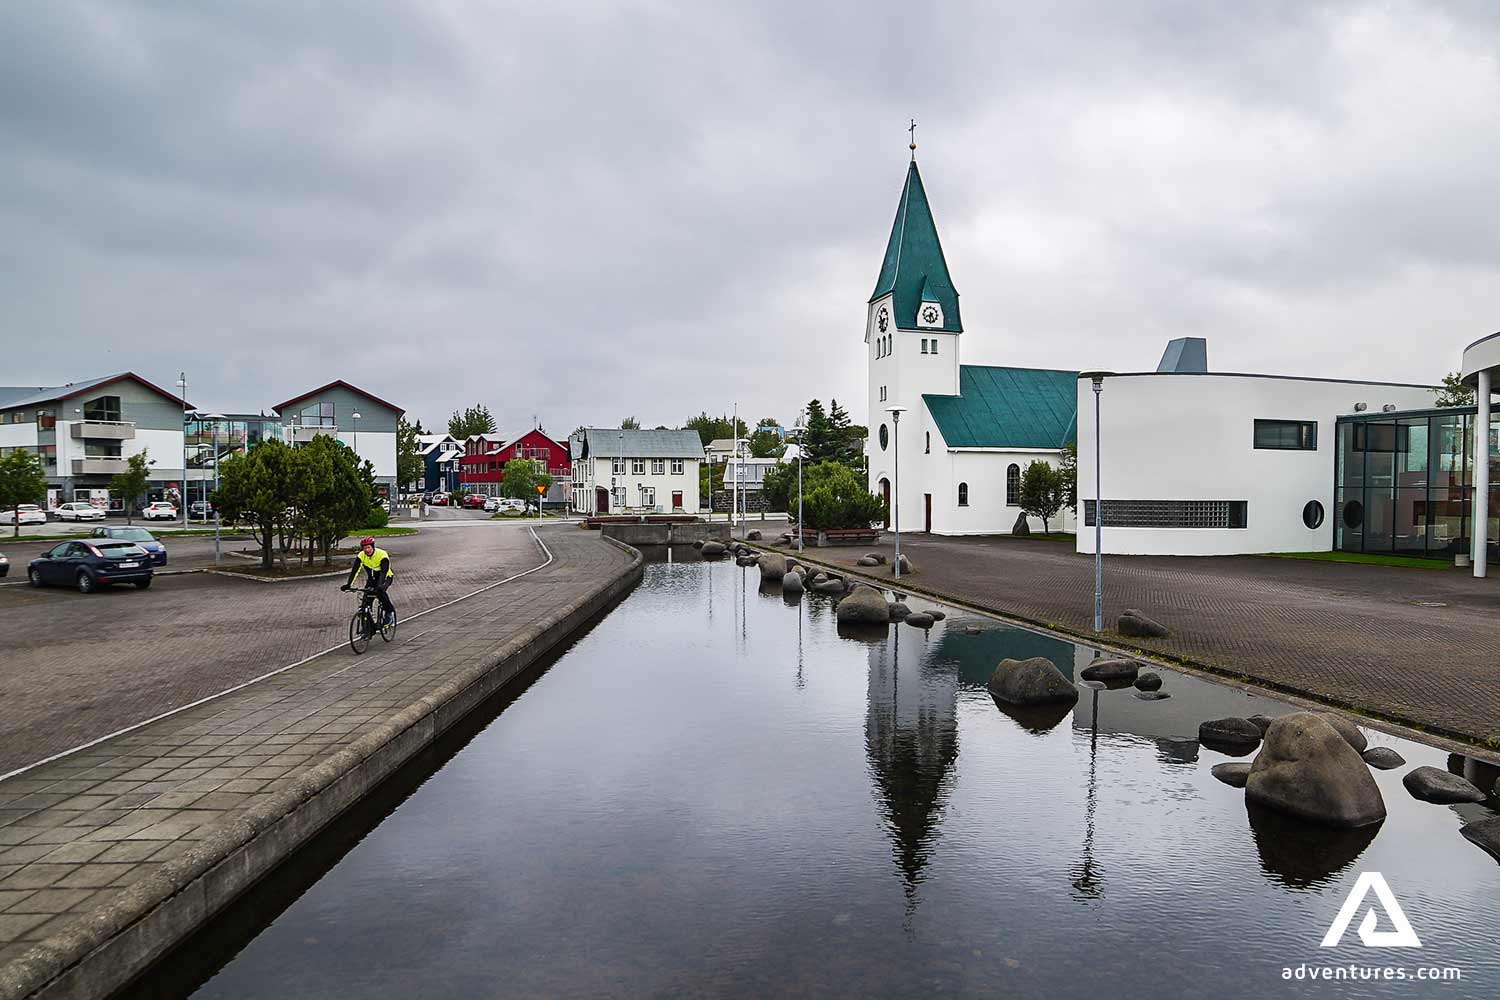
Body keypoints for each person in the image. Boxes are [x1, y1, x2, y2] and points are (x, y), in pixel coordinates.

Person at [341, 536, 396, 625]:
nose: (366, 550)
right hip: (372, 579)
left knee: (381, 593)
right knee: (366, 602)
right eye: (364, 548)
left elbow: (384, 572)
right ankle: (367, 627)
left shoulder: (382, 555)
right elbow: (355, 571)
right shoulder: (361, 556)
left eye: (368, 547)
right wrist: (348, 585)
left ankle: (389, 613)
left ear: (373, 547)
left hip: (385, 577)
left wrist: (381, 586)